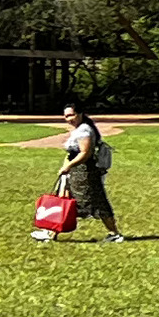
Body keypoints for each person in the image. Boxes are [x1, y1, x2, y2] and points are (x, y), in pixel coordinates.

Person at [56, 99, 128, 242]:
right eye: (66, 116)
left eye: (71, 115)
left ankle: (115, 233)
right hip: (76, 172)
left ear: (80, 113)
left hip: (85, 172)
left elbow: (85, 153)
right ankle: (51, 231)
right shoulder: (79, 129)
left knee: (94, 202)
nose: (68, 119)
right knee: (66, 199)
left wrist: (68, 166)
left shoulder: (84, 130)